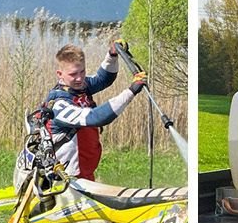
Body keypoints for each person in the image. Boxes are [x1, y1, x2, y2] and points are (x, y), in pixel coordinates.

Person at [20, 42, 147, 183]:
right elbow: (96, 117)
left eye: (82, 72)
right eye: (73, 74)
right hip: (66, 179)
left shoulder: (79, 87)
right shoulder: (59, 105)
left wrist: (111, 55)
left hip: (85, 174)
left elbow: (103, 79)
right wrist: (131, 91)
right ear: (60, 74)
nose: (80, 78)